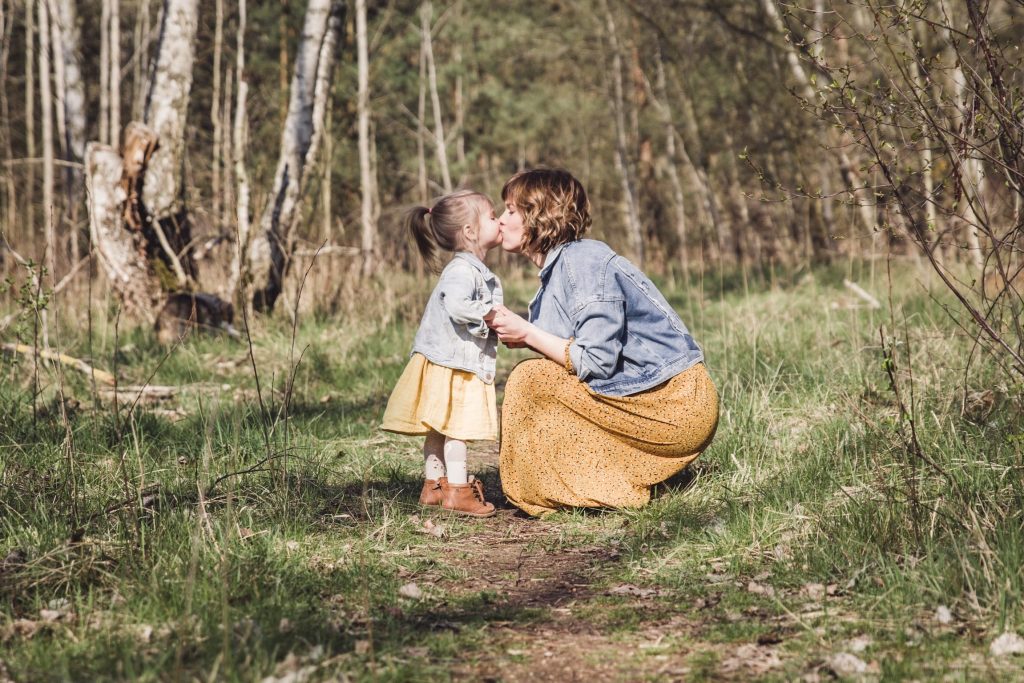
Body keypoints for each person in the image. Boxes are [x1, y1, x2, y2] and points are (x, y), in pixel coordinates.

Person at [486, 169, 719, 516]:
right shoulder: (556, 274)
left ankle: (602, 491)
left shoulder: (583, 261)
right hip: (641, 398)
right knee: (534, 380)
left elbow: (597, 362)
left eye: (510, 210)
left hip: (675, 403)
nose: (502, 220)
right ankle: (588, 487)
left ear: (539, 215)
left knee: (528, 379)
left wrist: (529, 333)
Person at [382, 189, 503, 517]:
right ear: (470, 231)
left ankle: (433, 485)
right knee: (456, 428)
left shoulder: (464, 267)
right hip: (454, 364)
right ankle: (459, 491)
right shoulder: (464, 271)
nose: (500, 220)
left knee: (438, 428)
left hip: (440, 360)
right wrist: (490, 316)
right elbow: (457, 305)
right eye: (493, 217)